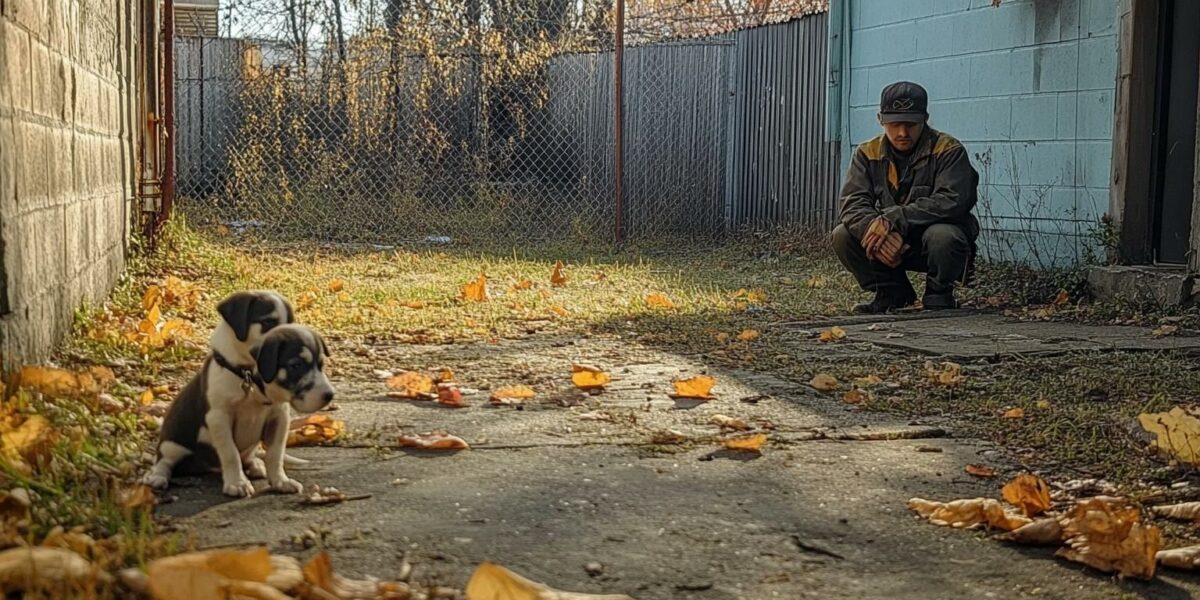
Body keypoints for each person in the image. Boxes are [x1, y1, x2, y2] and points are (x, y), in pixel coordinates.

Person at [831, 81, 980, 314]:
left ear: (925, 119)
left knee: (943, 236)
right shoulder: (866, 153)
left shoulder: (948, 150)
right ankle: (892, 292)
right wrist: (875, 229)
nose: (902, 133)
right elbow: (852, 203)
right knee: (843, 235)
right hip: (890, 244)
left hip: (933, 242)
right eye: (895, 124)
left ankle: (939, 293)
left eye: (911, 124)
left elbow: (953, 200)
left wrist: (892, 219)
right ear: (880, 119)